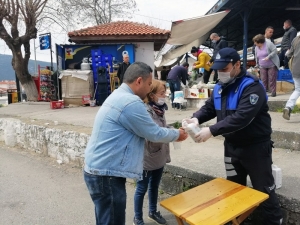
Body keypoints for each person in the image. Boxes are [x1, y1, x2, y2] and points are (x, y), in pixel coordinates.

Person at [183, 48, 283, 225]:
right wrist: (196, 118)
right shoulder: (220, 87)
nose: (221, 73)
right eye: (218, 69)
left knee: (264, 189)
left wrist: (211, 131)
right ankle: (237, 221)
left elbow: (242, 117)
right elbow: (209, 108)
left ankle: (274, 221)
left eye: (224, 68)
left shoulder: (252, 86)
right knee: (233, 188)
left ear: (237, 65)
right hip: (231, 148)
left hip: (255, 149)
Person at [83, 62, 188, 225]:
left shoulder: (118, 95)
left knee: (106, 219)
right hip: (106, 174)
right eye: (148, 84)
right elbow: (153, 132)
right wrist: (177, 134)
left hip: (99, 170)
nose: (149, 88)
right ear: (139, 81)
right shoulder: (130, 102)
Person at [133, 80, 170, 225]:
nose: (164, 95)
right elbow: (153, 133)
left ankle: (153, 211)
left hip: (159, 155)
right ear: (152, 94)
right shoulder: (145, 111)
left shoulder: (160, 109)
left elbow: (162, 129)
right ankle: (137, 217)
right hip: (146, 157)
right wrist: (172, 134)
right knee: (141, 188)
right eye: (161, 93)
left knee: (154, 186)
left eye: (165, 92)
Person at [282, 35, 300, 120]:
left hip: (296, 69)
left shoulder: (295, 39)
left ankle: (288, 107)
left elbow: (288, 54)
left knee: (298, 90)